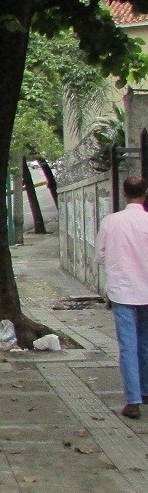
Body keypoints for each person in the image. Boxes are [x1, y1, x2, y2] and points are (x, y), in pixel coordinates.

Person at [95, 176, 148, 419]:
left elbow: (100, 255)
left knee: (127, 344)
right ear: (145, 193)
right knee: (145, 343)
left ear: (124, 193)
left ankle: (133, 400)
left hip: (122, 290)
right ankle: (145, 390)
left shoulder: (111, 222)